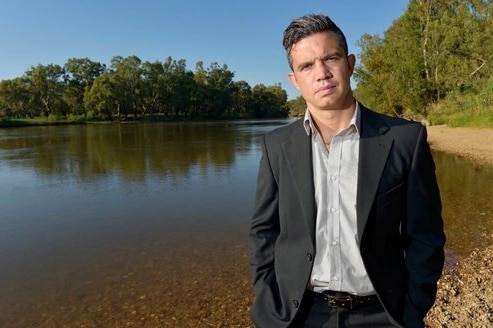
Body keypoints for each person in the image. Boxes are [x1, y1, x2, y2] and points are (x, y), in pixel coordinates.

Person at [248, 14, 445, 328]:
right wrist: (268, 298)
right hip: (298, 314)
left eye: (331, 58)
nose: (322, 74)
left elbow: (425, 236)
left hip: (382, 313)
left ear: (350, 63)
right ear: (294, 80)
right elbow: (263, 232)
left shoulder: (405, 140)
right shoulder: (277, 146)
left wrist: (412, 307)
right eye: (307, 66)